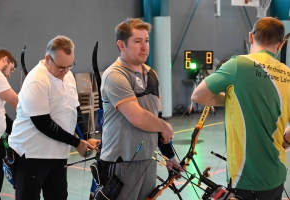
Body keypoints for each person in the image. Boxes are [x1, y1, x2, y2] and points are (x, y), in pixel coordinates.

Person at [191, 17, 289, 200]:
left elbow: (198, 96)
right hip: (277, 174)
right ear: (281, 44)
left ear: (250, 37)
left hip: (245, 178)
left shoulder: (238, 64)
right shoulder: (288, 74)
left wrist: (232, 98)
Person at [8, 35, 100, 200]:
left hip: (58, 154)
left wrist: (86, 137)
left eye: (69, 66)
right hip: (32, 155)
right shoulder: (37, 80)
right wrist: (76, 143)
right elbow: (43, 123)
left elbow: (75, 108)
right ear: (47, 58)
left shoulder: (67, 75)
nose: (65, 71)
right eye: (61, 67)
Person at [99, 18, 182, 200]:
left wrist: (170, 156)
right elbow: (137, 117)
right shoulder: (115, 74)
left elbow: (155, 118)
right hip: (122, 161)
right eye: (138, 41)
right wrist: (164, 126)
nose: (144, 46)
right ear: (122, 44)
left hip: (147, 159)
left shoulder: (151, 74)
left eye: (146, 40)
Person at [0, 48, 18, 200]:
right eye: (11, 70)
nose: (8, 75)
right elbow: (17, 103)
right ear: (5, 59)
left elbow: (2, 115)